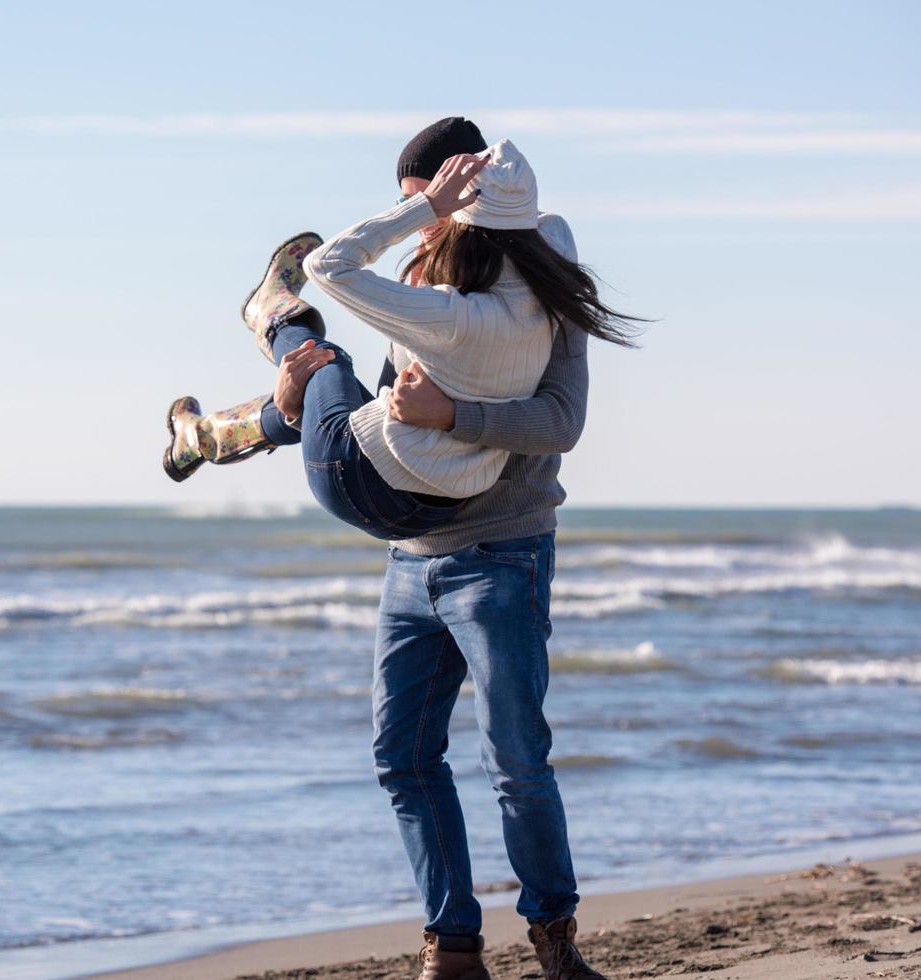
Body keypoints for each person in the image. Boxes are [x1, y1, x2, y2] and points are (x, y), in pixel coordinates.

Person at [162, 117, 637, 980]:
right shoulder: (430, 278)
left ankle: (555, 945)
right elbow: (389, 403)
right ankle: (452, 946)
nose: (417, 228)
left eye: (421, 209)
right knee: (402, 757)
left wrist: (453, 416)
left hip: (500, 552)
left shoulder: (541, 292)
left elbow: (559, 422)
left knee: (517, 758)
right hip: (412, 551)